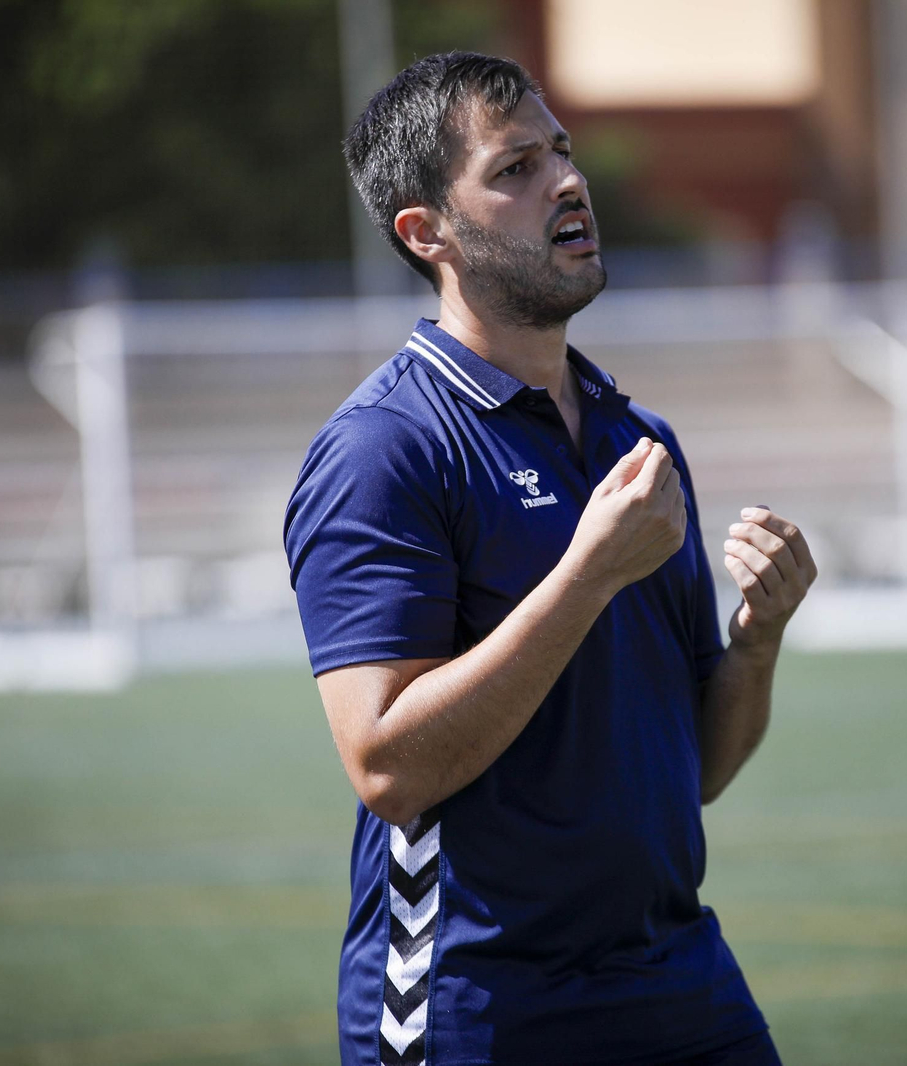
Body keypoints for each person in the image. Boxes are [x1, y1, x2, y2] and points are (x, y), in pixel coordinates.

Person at [283, 52, 817, 1066]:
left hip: (679, 980)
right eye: (514, 167)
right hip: (479, 1006)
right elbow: (387, 763)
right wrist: (586, 575)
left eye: (562, 152)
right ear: (423, 230)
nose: (566, 182)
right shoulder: (384, 448)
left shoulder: (635, 438)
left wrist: (755, 648)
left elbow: (697, 768)